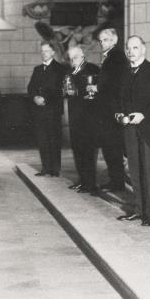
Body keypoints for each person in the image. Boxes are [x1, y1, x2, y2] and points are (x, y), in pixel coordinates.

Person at [115, 36, 150, 227]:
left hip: (148, 129)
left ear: (143, 50)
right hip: (129, 129)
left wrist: (143, 114)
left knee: (148, 172)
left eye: (135, 48)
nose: (131, 52)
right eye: (128, 48)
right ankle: (139, 210)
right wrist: (119, 114)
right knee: (135, 172)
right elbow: (119, 100)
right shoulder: (124, 73)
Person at [95, 28, 128, 192]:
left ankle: (117, 183)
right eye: (101, 40)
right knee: (109, 147)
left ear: (114, 40)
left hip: (112, 111)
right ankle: (115, 180)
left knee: (113, 147)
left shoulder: (117, 57)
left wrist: (98, 88)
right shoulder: (111, 56)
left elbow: (117, 85)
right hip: (108, 110)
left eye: (106, 40)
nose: (102, 43)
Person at [63, 46, 100, 193]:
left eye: (76, 57)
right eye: (71, 58)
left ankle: (90, 183)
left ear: (83, 56)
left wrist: (80, 92)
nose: (73, 61)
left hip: (89, 117)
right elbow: (67, 91)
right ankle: (82, 179)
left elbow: (97, 91)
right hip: (74, 116)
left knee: (89, 151)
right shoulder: (70, 72)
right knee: (77, 149)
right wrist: (66, 91)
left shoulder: (93, 69)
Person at [27, 42, 66, 176]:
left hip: (53, 110)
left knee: (54, 140)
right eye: (42, 51)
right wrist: (34, 98)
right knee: (42, 140)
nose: (44, 53)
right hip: (39, 111)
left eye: (47, 51)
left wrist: (46, 99)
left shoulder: (60, 69)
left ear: (53, 52)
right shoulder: (37, 69)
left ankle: (55, 169)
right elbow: (30, 87)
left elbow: (60, 90)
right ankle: (45, 168)